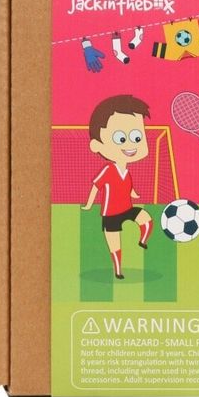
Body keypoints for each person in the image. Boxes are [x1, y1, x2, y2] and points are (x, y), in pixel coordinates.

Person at [82, 95, 154, 278]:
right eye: (121, 138)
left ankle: (142, 241)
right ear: (96, 145)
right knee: (115, 245)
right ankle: (118, 270)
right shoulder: (108, 170)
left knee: (146, 219)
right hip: (110, 214)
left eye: (137, 137)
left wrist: (133, 192)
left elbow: (128, 186)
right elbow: (96, 186)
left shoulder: (126, 171)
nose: (131, 145)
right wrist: (89, 204)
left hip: (127, 208)